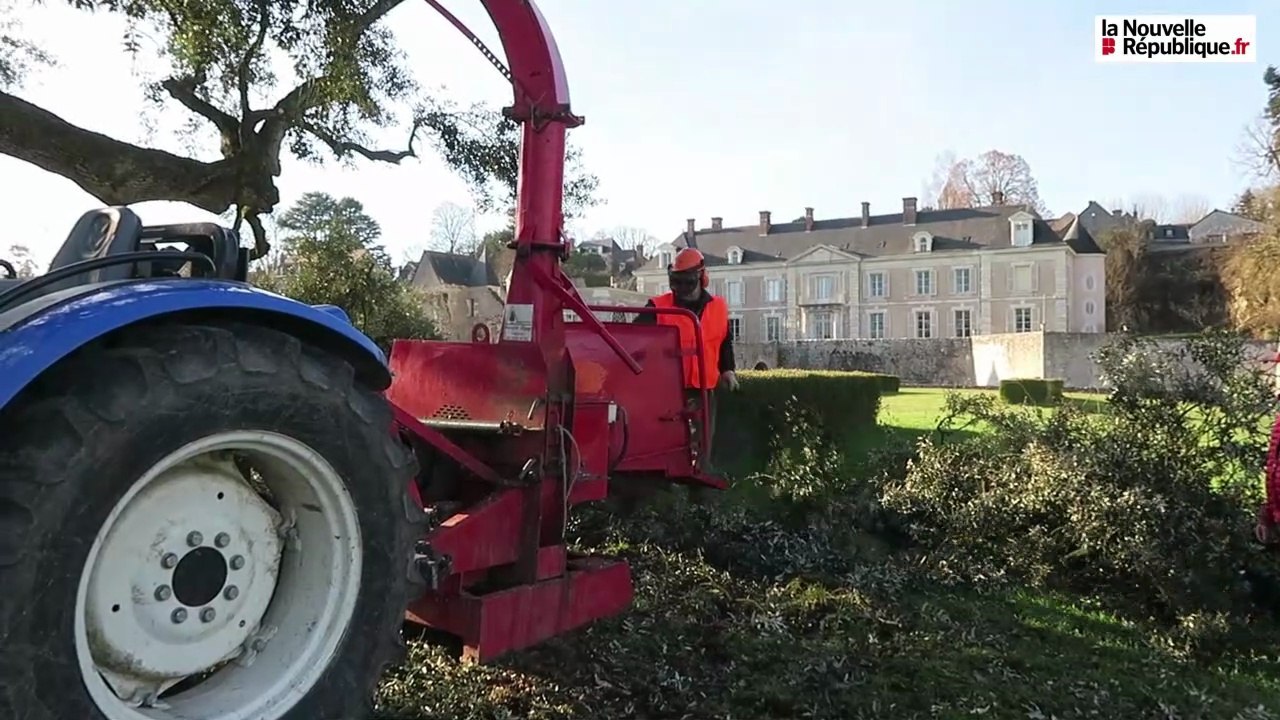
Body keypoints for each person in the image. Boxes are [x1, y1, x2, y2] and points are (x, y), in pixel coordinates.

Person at [634, 248, 738, 485]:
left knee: (702, 445)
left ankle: (698, 486)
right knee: (667, 443)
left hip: (704, 387)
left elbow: (724, 342)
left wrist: (728, 370)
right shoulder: (657, 307)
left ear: (701, 277)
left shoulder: (718, 307)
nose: (682, 290)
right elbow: (635, 342)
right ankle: (665, 486)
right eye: (677, 283)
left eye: (687, 283)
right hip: (668, 391)